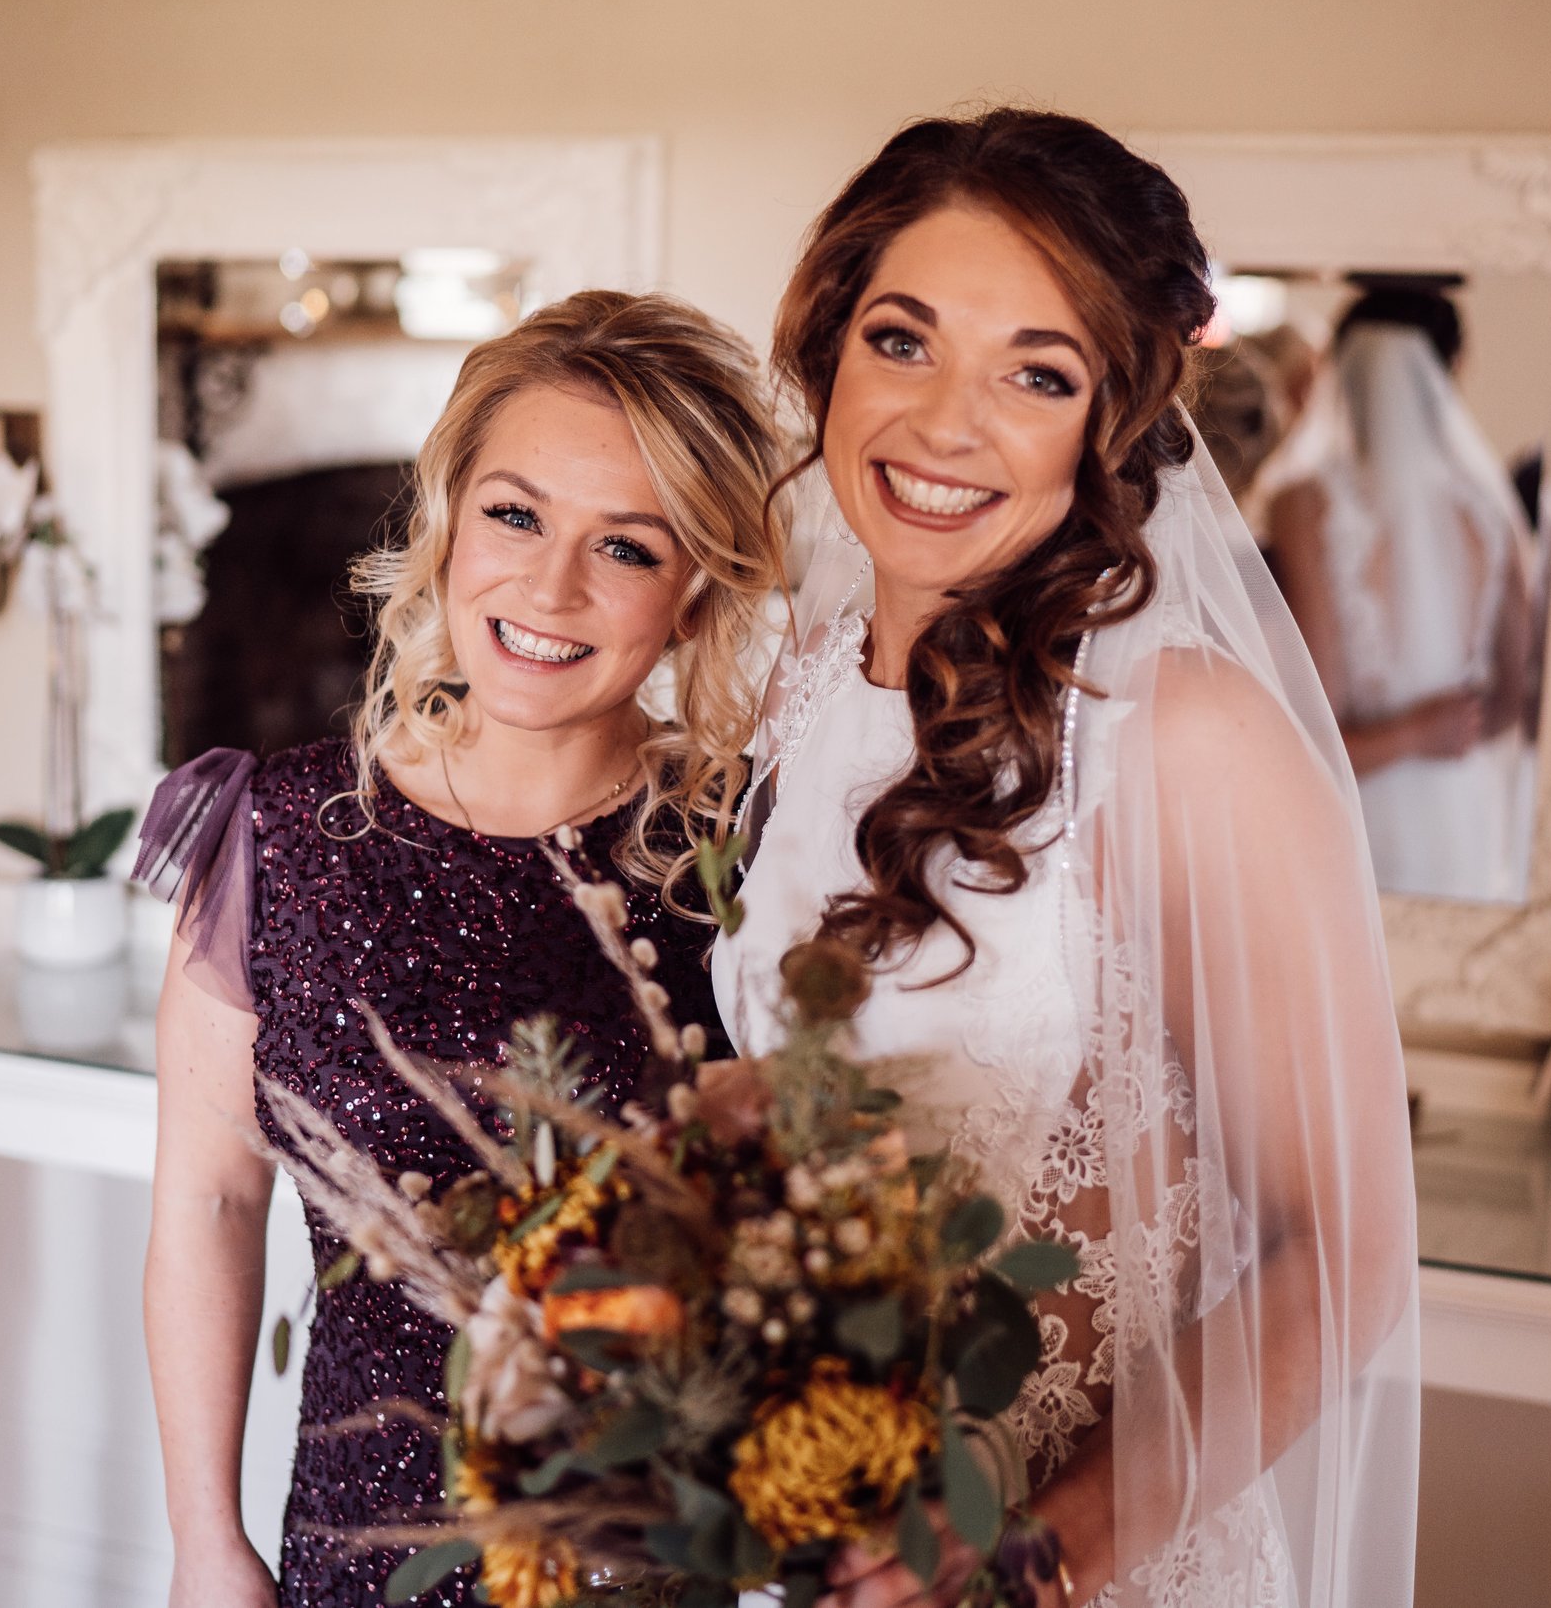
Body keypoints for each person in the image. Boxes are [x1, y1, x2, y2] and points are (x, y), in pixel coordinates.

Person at [716, 111, 1417, 1608]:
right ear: (828, 348)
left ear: (1109, 421)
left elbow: (1341, 1250)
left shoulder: (1181, 734)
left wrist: (1039, 1555)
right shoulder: (795, 679)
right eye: (902, 342)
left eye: (1036, 374)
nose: (946, 424)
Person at [137, 290, 784, 1608]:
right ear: (445, 517)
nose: (550, 586)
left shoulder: (754, 853)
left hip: (641, 1560)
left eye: (628, 546)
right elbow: (208, 1201)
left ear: (699, 587)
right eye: (516, 512)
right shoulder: (272, 830)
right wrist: (207, 1538)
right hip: (355, 1542)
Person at [1250, 289, 1538, 903]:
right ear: (1450, 374)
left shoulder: (1304, 504)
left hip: (1356, 809)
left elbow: (1313, 732)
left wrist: (1409, 737)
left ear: (1341, 373)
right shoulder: (1488, 510)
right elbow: (1513, 699)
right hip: (1460, 811)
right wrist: (1442, 736)